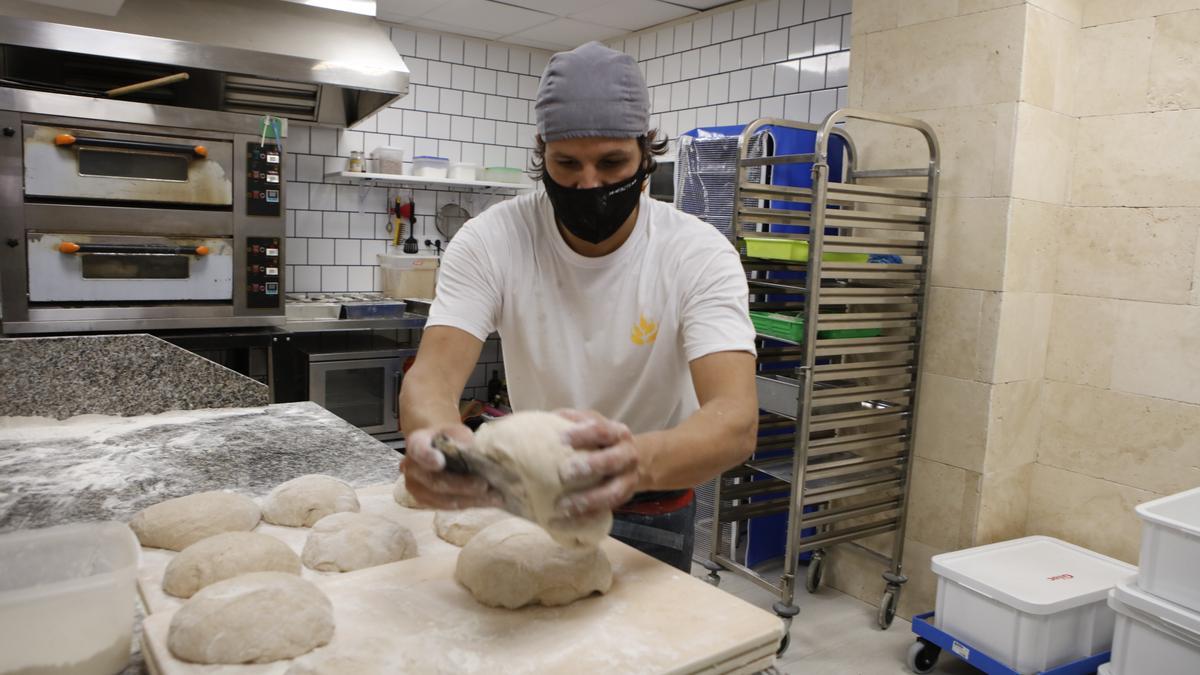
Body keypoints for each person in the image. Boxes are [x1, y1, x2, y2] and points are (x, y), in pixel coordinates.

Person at [398, 41, 758, 571]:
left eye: (612, 162)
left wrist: (634, 463)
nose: (588, 183)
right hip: (532, 492)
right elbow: (432, 376)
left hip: (654, 497)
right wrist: (439, 443)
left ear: (644, 153)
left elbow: (734, 420)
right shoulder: (492, 240)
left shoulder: (697, 253)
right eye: (567, 163)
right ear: (541, 151)